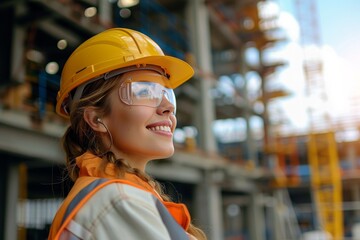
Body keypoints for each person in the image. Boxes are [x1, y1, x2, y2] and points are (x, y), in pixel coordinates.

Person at [48, 28, 207, 240]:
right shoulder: (117, 201)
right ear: (96, 119)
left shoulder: (121, 197)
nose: (167, 106)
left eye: (166, 93)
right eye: (144, 92)